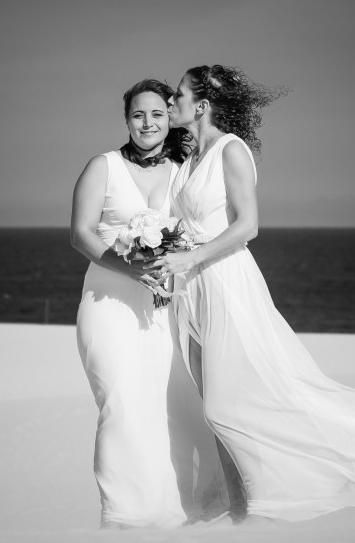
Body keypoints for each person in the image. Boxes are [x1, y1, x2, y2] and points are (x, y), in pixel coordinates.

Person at [151, 65, 355, 526]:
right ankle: (241, 516)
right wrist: (168, 258)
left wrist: (192, 257)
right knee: (212, 413)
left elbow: (248, 226)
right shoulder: (188, 163)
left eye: (179, 94)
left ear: (202, 105)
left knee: (228, 407)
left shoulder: (230, 151)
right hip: (190, 290)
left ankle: (268, 507)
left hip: (225, 282)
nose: (171, 100)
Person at [70, 78, 227, 529]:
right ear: (126, 119)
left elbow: (204, 225)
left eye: (157, 113)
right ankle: (121, 518)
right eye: (138, 114)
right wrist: (130, 267)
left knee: (171, 405)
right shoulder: (102, 166)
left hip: (166, 307)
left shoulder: (184, 167)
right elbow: (80, 234)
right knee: (119, 402)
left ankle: (172, 515)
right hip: (108, 300)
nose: (148, 123)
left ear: (170, 117)